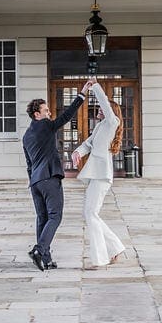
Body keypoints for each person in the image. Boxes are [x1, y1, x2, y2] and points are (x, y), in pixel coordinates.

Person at [22, 80, 92, 271]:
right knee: (55, 216)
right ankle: (39, 249)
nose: (49, 113)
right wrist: (82, 94)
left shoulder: (26, 135)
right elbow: (66, 117)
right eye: (45, 111)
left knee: (42, 218)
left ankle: (45, 259)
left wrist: (33, 180)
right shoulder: (44, 125)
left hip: (35, 183)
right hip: (49, 178)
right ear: (37, 115)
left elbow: (29, 164)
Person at [71, 78, 126, 269]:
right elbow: (88, 143)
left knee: (90, 213)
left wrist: (95, 86)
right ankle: (115, 247)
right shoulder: (101, 126)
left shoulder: (112, 122)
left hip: (102, 175)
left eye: (103, 108)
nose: (99, 109)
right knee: (90, 213)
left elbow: (104, 102)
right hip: (95, 174)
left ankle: (101, 257)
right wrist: (77, 151)